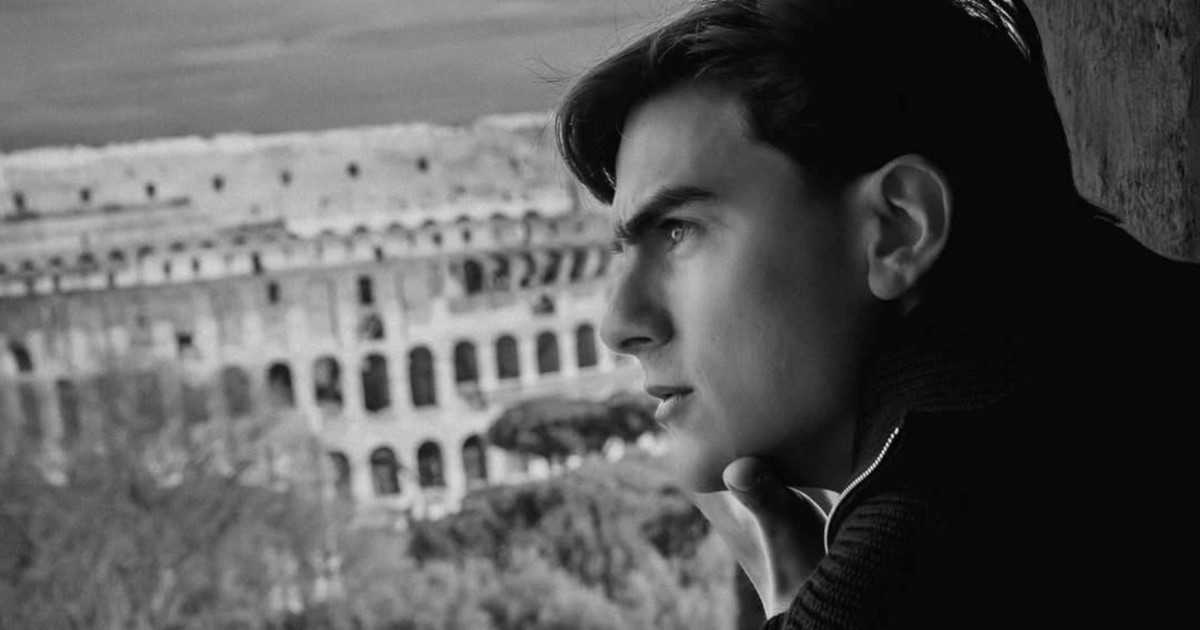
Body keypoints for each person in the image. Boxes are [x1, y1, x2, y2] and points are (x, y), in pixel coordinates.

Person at [554, 0, 1199, 627]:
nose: (619, 325)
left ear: (897, 229)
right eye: (623, 251)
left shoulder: (934, 539)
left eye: (677, 231)